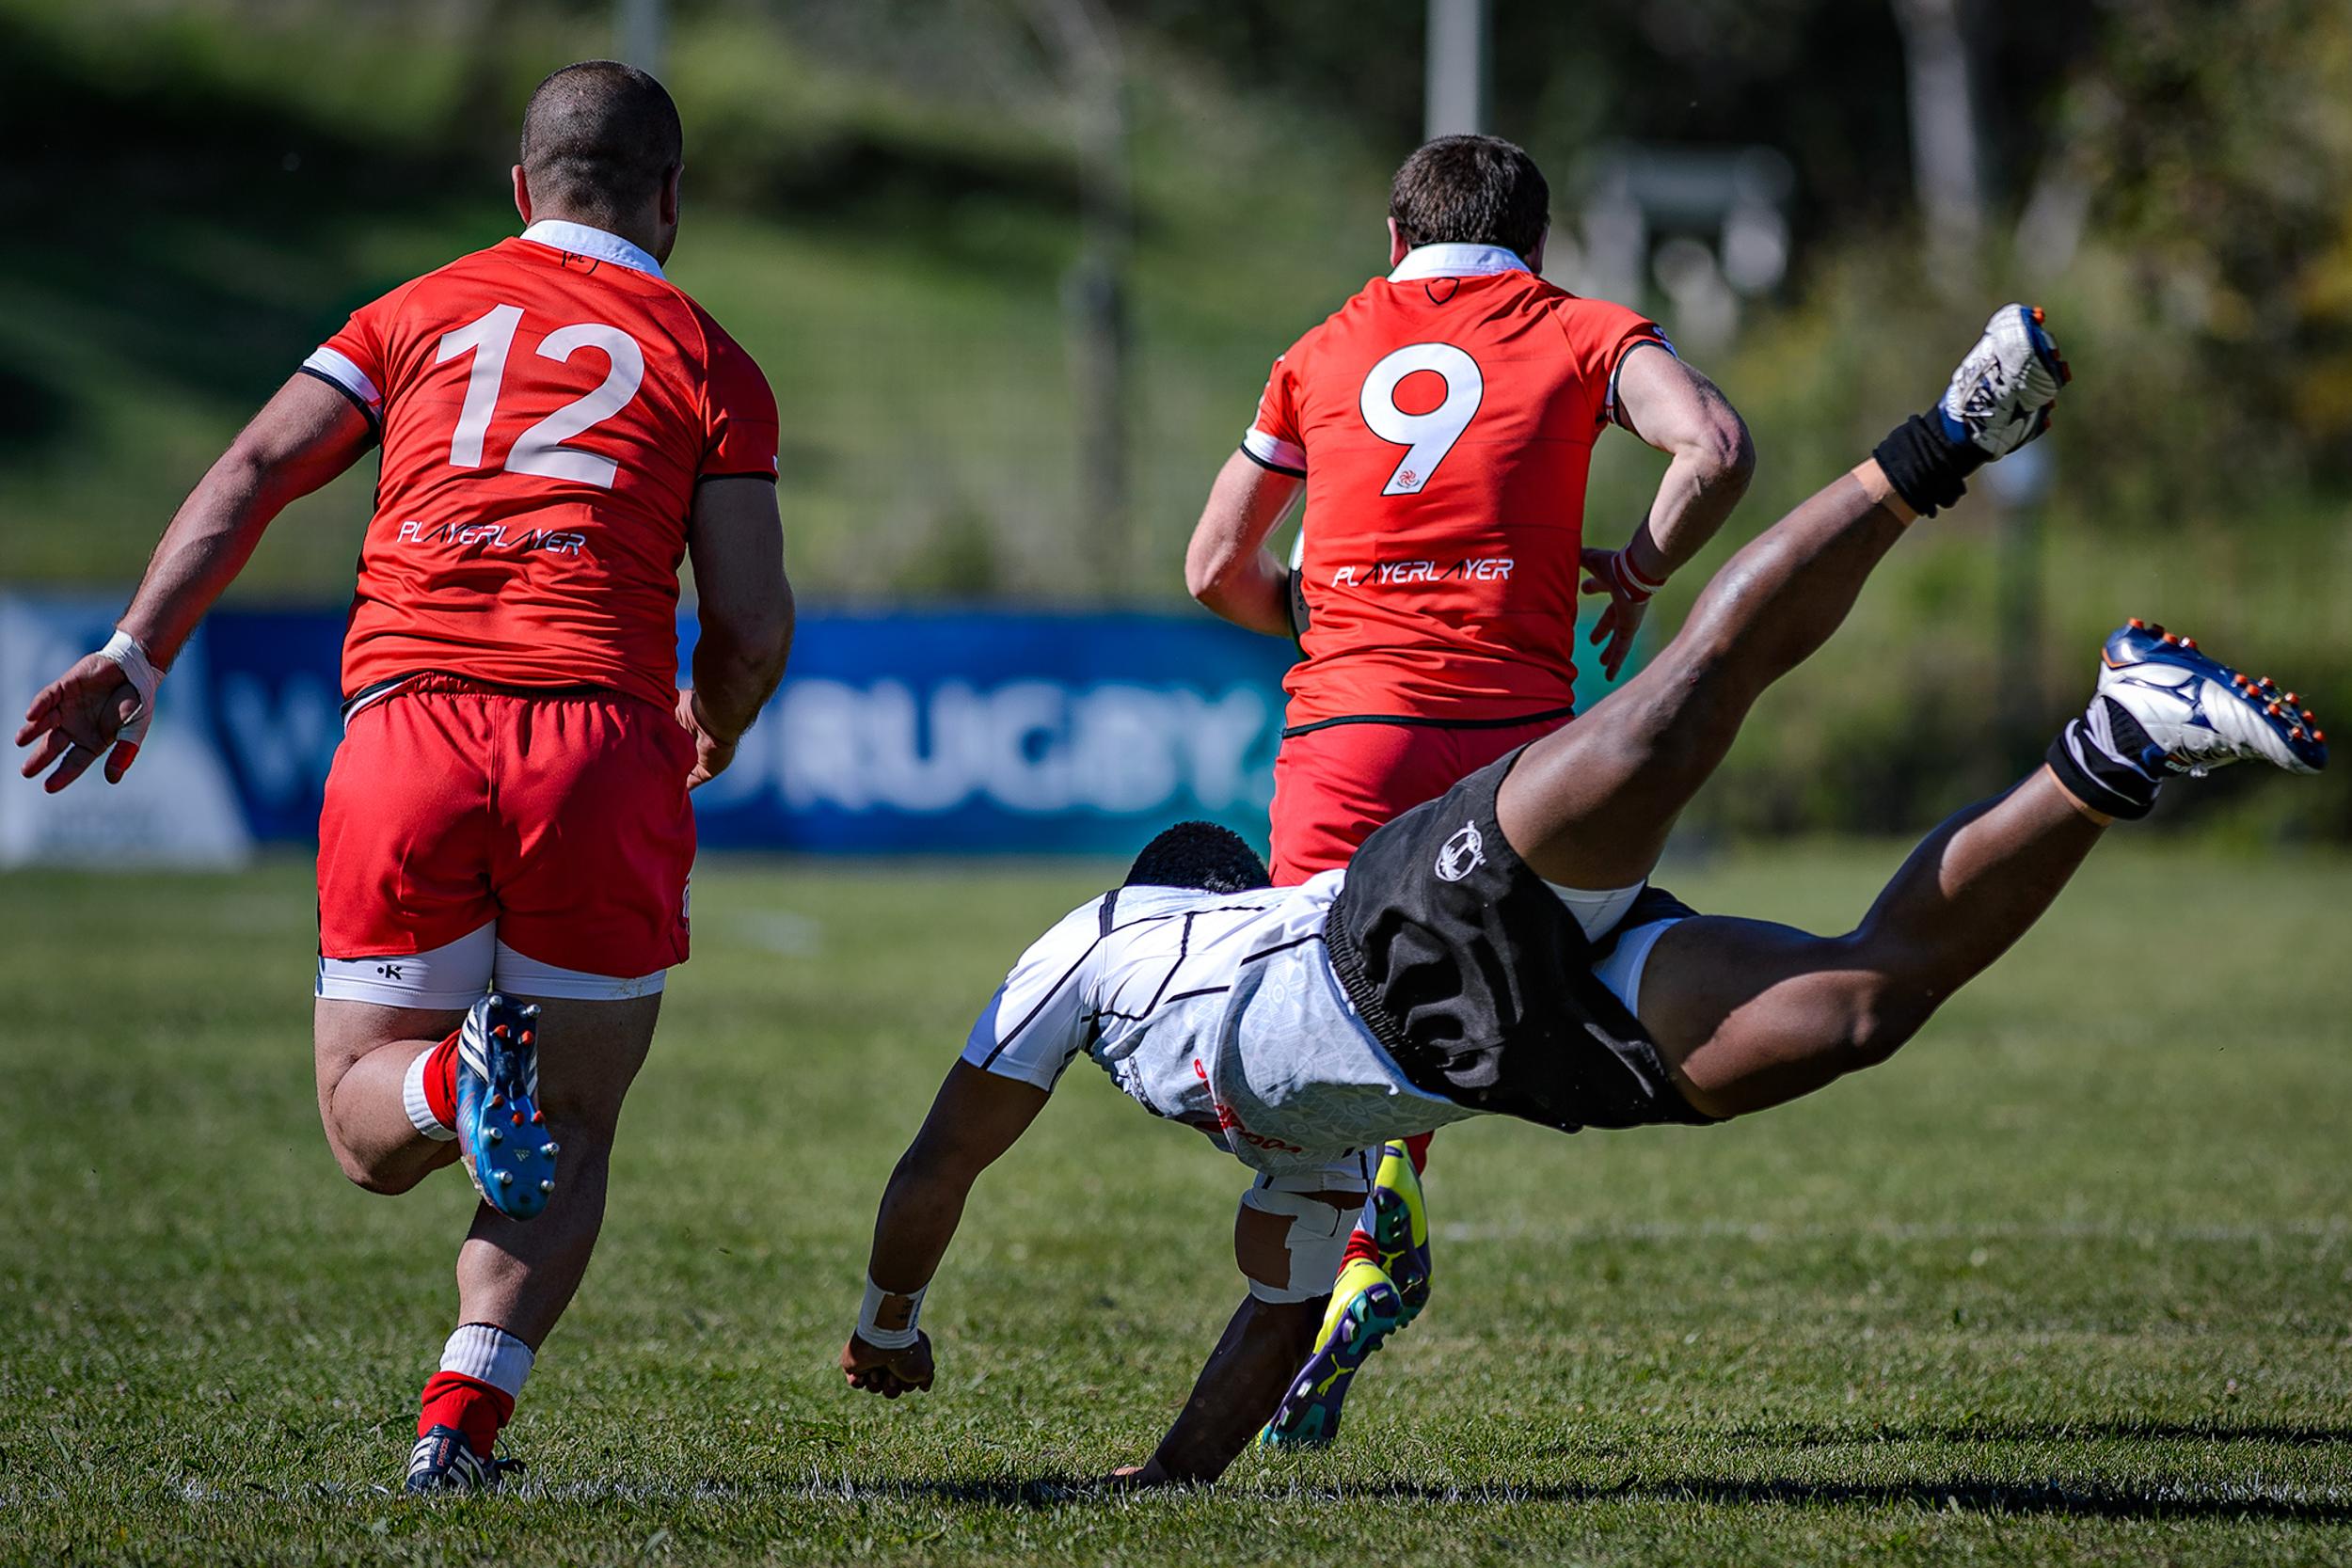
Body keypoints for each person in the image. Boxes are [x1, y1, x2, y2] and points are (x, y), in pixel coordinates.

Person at [839, 306, 2326, 1485]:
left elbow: (941, 1159)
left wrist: (886, 1323)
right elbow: (1277, 1308)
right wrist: (1171, 1479)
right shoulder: (1286, 1153)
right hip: (1511, 1049)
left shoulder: (1107, 942)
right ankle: (2122, 739)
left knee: (1681, 707)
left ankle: (1948, 436)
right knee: (1858, 1009)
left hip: (1393, 935)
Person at [14, 62, 792, 1491]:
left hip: (412, 730)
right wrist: (714, 724)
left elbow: (254, 466)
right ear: (671, 201)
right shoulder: (711, 357)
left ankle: (443, 1076)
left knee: (370, 1131)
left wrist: (134, 655)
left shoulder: (415, 311)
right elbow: (749, 621)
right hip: (601, 746)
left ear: (518, 190)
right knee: (571, 1122)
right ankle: (462, 1420)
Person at [1183, 134, 1754, 1444]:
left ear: (1393, 241)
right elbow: (1713, 447)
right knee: (1479, 986)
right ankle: (1396, 1209)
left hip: (1354, 728)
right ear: (1539, 248)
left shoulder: (1322, 348)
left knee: (1317, 1032)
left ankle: (1363, 1225)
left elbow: (1216, 561)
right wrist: (1643, 569)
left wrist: (1326, 619)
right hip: (1516, 754)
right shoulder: (1582, 327)